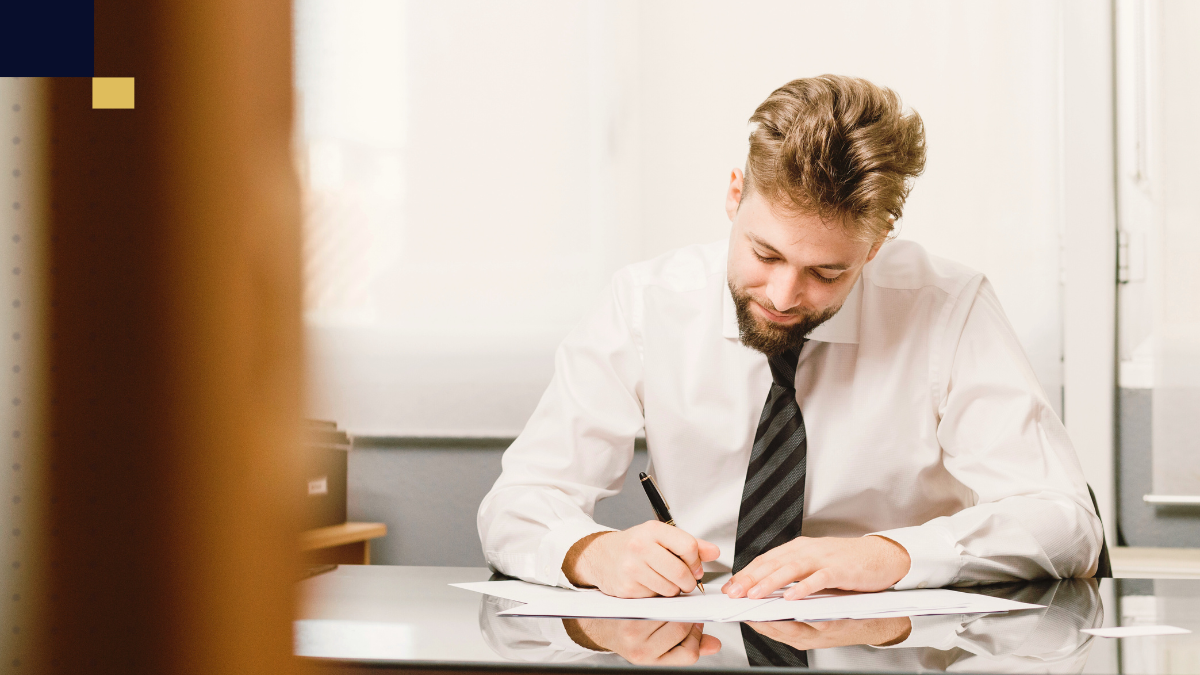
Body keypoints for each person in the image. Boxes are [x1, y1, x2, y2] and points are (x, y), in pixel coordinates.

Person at [477, 75, 1103, 604]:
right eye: (764, 252)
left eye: (826, 273)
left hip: (896, 645)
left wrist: (889, 556)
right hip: (703, 642)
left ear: (875, 247)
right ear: (733, 195)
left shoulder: (947, 307)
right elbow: (518, 503)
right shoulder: (646, 303)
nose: (782, 295)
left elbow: (1066, 523)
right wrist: (592, 552)